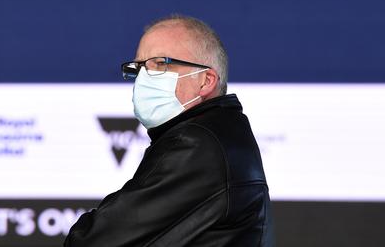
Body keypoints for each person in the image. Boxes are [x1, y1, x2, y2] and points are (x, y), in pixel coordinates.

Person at [64, 14, 274, 246]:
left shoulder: (197, 143)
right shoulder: (222, 132)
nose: (143, 78)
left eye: (161, 63)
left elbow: (94, 241)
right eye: (139, 68)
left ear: (205, 81)